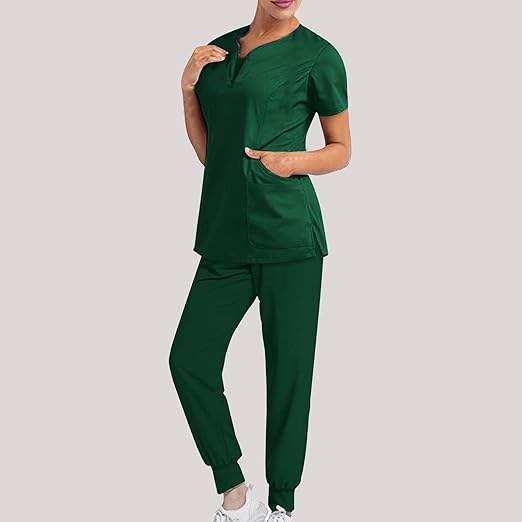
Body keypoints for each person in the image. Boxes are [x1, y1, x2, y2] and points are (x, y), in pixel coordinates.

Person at [169, 0, 351, 520]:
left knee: (288, 372)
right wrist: (187, 91)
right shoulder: (217, 52)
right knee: (189, 360)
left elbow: (341, 149)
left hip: (289, 235)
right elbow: (212, 155)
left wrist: (290, 162)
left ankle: (282, 505)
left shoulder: (319, 56)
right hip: (225, 236)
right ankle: (234, 490)